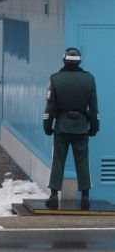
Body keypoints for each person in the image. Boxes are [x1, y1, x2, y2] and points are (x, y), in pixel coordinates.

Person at [43, 47, 99, 210]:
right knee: (82, 161)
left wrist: (47, 126)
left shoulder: (56, 79)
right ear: (79, 61)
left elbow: (50, 107)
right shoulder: (89, 79)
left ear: (64, 60)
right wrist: (94, 127)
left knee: (58, 160)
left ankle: (54, 195)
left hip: (62, 126)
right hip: (81, 126)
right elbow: (94, 108)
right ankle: (85, 197)